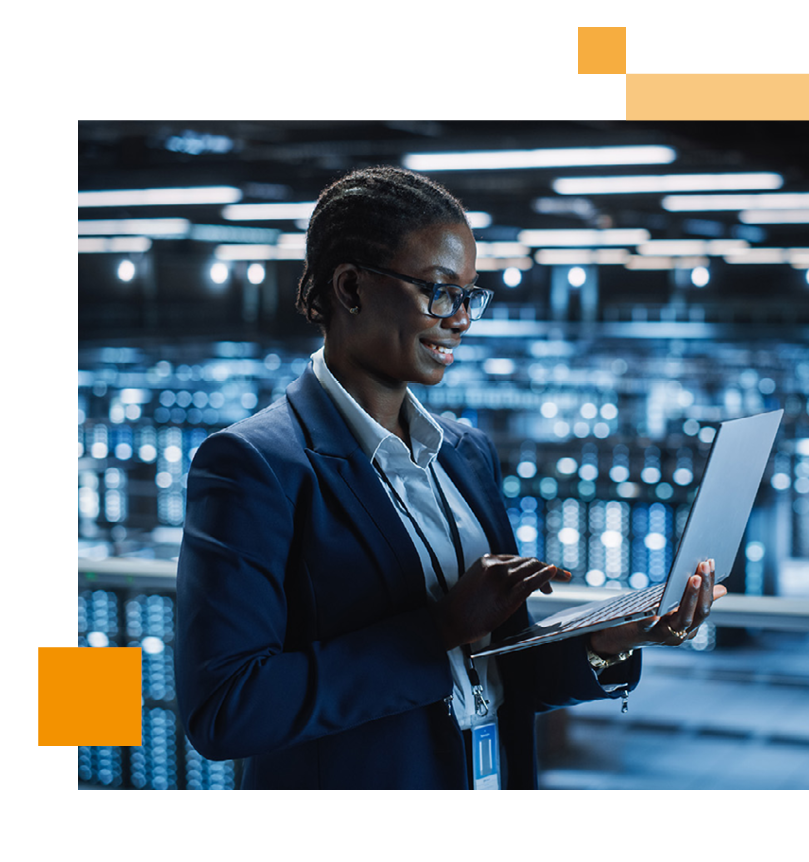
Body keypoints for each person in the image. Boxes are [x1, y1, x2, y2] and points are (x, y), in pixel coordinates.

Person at [175, 165, 726, 789]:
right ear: (352, 287)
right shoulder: (255, 465)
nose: (461, 317)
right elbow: (224, 710)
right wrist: (436, 630)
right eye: (439, 290)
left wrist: (609, 640)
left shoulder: (466, 453)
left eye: (470, 295)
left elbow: (497, 668)